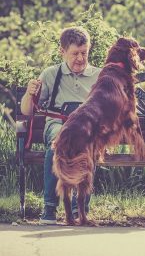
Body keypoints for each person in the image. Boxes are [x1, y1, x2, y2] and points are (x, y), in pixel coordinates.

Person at [20, 26, 100, 224]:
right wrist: (29, 94)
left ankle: (78, 209)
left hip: (86, 128)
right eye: (74, 54)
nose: (80, 59)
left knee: (87, 147)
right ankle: (49, 208)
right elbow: (27, 111)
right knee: (58, 143)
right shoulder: (50, 74)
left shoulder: (98, 76)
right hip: (58, 123)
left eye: (84, 53)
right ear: (62, 52)